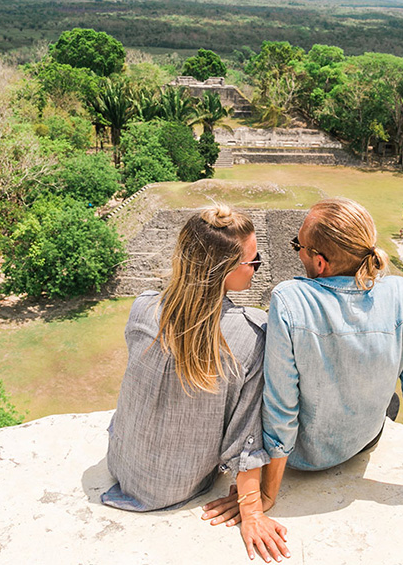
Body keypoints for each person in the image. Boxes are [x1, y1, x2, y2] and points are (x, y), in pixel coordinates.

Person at [204, 198, 403, 530]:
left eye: (300, 246)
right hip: (362, 440)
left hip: (302, 457)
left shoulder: (290, 300)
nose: (297, 253)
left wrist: (266, 495)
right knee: (391, 399)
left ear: (320, 262)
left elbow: (282, 408)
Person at [103, 205, 290, 562]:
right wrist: (252, 512)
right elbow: (246, 435)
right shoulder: (250, 335)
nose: (256, 268)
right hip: (180, 484)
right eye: (253, 261)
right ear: (225, 271)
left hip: (123, 465)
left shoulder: (143, 307)